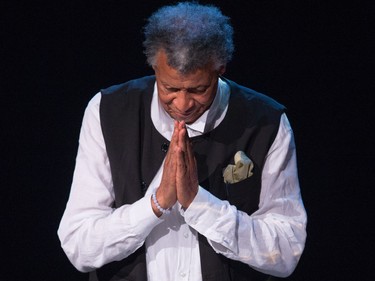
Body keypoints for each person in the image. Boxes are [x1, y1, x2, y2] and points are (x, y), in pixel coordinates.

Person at [58, 2, 307, 281]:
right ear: (154, 67)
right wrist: (155, 204)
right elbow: (78, 245)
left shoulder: (265, 122)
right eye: (170, 88)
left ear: (220, 68)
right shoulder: (107, 111)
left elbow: (286, 251)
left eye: (198, 89)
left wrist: (200, 204)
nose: (183, 103)